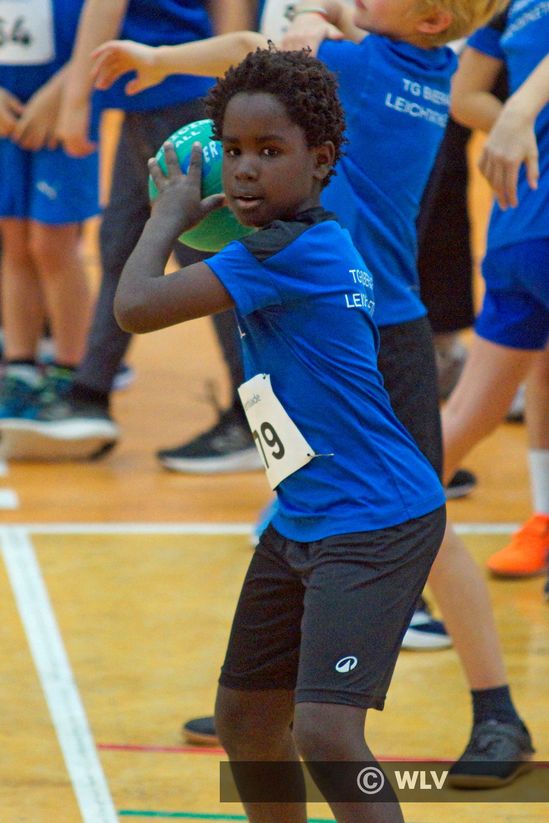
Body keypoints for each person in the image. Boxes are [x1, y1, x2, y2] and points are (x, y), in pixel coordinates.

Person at [91, 0, 536, 789]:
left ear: (431, 17)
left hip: (361, 324)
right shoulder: (423, 68)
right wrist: (327, 21)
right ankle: (275, 692)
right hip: (359, 313)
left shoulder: (355, 68)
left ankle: (494, 710)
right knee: (310, 500)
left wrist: (161, 62)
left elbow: (248, 51)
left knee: (414, 518)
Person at [116, 44, 447, 823]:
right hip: (303, 517)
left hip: (374, 522)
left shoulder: (289, 252)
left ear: (320, 160)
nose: (243, 170)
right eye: (232, 150)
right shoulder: (284, 243)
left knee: (327, 733)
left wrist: (165, 214)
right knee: (244, 718)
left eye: (269, 151)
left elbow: (134, 306)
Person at [1, 0, 256, 460]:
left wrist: (76, 100)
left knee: (210, 261)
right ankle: (89, 394)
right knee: (122, 245)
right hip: (148, 94)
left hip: (175, 93)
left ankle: (253, 415)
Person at [444, 10, 549, 586]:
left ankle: (343, 528)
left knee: (470, 411)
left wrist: (519, 115)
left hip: (516, 227)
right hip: (527, 224)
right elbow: (463, 95)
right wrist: (519, 117)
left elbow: (466, 97)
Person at [0, 0, 98, 432]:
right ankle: (20, 367)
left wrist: (64, 92)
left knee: (52, 242)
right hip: (7, 109)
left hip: (65, 106)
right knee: (15, 241)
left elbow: (104, 29)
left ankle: (69, 371)